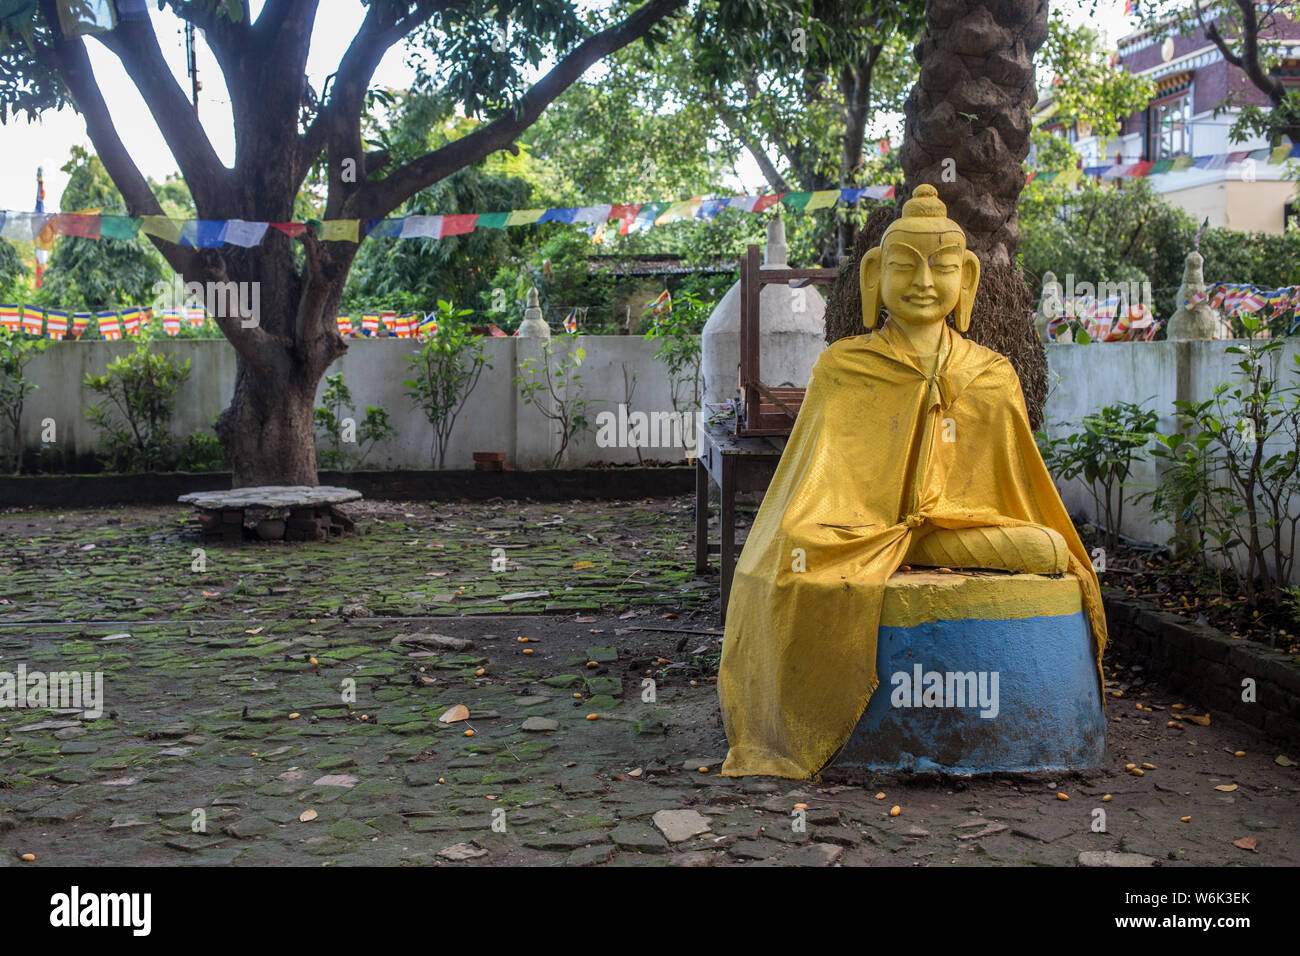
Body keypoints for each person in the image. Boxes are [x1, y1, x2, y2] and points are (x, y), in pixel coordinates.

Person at [717, 185, 1107, 779]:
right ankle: (908, 540)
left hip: (957, 528)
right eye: (905, 265)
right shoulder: (845, 367)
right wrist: (870, 527)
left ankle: (917, 538)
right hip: (857, 529)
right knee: (797, 551)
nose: (924, 281)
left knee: (1051, 548)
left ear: (966, 279)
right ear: (875, 274)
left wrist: (936, 523)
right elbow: (817, 488)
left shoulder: (991, 373)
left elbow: (1009, 489)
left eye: (943, 267)